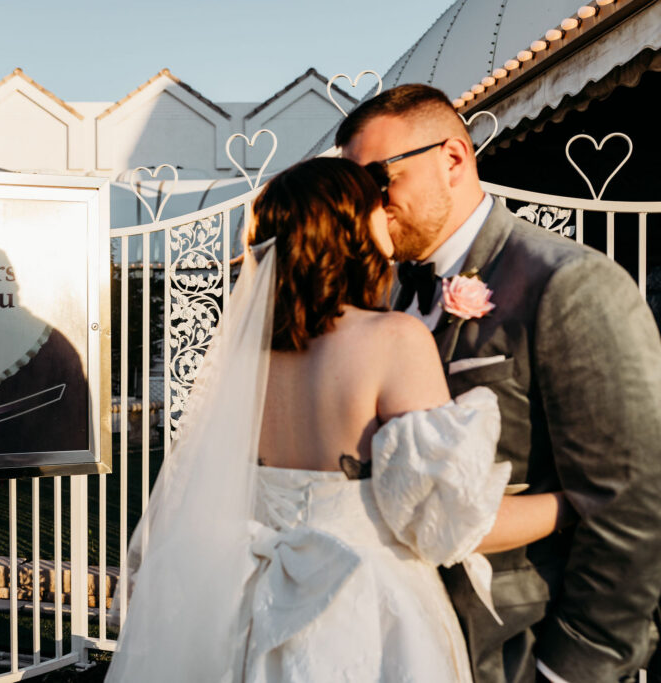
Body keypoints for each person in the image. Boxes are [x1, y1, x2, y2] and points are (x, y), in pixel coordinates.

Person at [106, 157, 571, 682]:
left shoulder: (245, 359)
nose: (388, 213)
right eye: (376, 205)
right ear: (349, 224)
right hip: (364, 611)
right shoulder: (394, 340)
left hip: (245, 610)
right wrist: (572, 502)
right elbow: (446, 523)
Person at [337, 84, 661, 683]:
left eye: (378, 182)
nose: (366, 207)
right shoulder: (383, 298)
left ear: (453, 159)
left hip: (516, 650)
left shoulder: (569, 285)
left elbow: (632, 507)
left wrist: (566, 670)